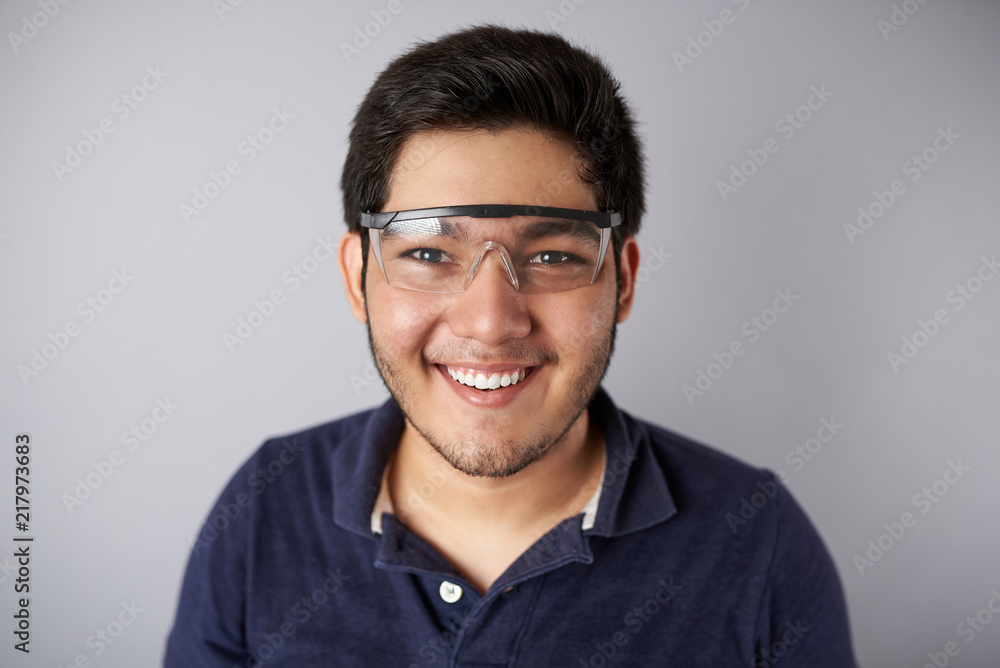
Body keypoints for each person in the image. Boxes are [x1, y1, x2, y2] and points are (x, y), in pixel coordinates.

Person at [166, 24, 857, 667]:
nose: (492, 322)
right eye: (431, 253)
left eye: (553, 257)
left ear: (623, 280)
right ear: (358, 278)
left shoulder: (756, 541)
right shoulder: (265, 508)